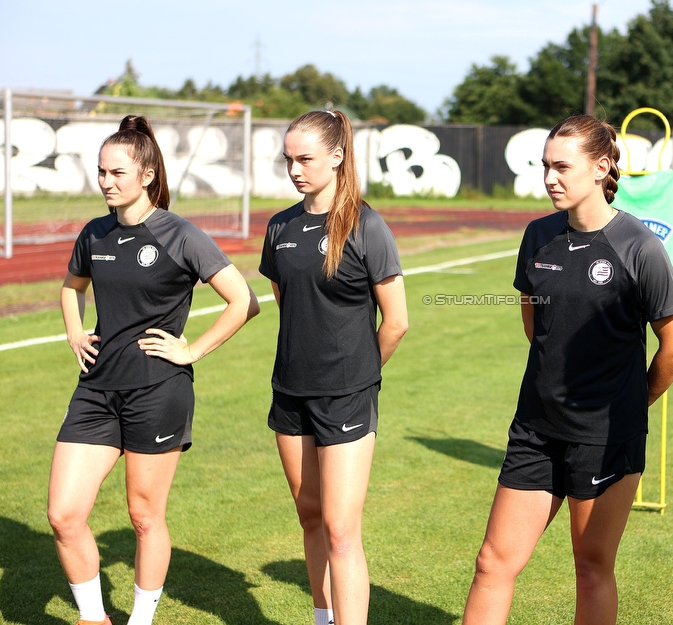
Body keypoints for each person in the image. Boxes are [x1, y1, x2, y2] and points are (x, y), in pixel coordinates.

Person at [462, 114, 673, 625]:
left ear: (601, 167)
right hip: (535, 429)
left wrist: (629, 401)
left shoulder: (640, 248)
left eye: (562, 166)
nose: (549, 178)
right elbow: (537, 323)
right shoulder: (537, 235)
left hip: (605, 437)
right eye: (545, 166)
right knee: (492, 563)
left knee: (590, 568)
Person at [48, 115, 260, 625]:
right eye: (101, 172)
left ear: (146, 175)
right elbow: (71, 287)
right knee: (63, 514)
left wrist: (192, 351)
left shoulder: (179, 234)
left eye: (117, 172)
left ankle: (140, 621)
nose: (106, 182)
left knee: (144, 518)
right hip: (96, 391)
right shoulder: (94, 232)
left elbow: (244, 301)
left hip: (156, 391)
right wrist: (76, 332)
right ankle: (94, 617)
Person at [259, 109, 408, 625]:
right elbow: (288, 302)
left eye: (305, 158)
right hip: (290, 392)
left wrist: (360, 374)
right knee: (311, 517)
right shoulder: (280, 226)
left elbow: (396, 321)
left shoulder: (366, 225)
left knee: (343, 530)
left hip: (347, 395)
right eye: (289, 160)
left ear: (337, 157)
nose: (295, 169)